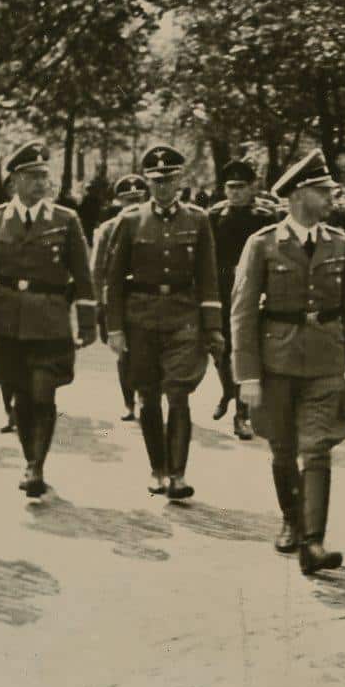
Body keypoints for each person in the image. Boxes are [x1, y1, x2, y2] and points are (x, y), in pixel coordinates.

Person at [230, 149, 345, 574]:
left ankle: (314, 542)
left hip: (326, 361)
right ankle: (292, 520)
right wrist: (247, 375)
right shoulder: (262, 244)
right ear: (297, 195)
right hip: (277, 363)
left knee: (318, 447)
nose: (330, 199)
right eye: (321, 191)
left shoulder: (340, 243)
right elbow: (243, 312)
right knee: (284, 448)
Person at [0, 140, 97, 499]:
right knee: (20, 395)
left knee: (44, 393)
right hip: (8, 321)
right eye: (31, 176)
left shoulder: (65, 220)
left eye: (44, 176)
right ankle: (30, 457)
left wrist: (87, 323)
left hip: (50, 320)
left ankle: (36, 467)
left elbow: (83, 275)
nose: (40, 183)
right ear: (13, 181)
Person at [104, 145, 223, 500]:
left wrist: (212, 326)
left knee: (179, 394)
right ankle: (157, 469)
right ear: (148, 183)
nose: (163, 187)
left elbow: (208, 276)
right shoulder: (130, 221)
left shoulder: (198, 220)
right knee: (148, 396)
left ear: (180, 181)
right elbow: (114, 279)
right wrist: (115, 328)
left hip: (183, 316)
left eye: (169, 180)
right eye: (156, 181)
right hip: (141, 317)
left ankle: (178, 475)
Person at [208, 159, 279, 438]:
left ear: (252, 188)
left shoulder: (264, 216)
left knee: (247, 348)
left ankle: (242, 413)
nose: (235, 192)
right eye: (230, 187)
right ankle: (228, 391)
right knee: (221, 350)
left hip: (254, 289)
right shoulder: (215, 216)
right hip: (223, 290)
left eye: (240, 187)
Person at [91, 174, 150, 422]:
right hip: (118, 299)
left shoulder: (152, 225)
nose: (133, 205)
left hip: (145, 297)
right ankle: (129, 402)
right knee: (124, 354)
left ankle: (146, 398)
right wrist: (100, 304)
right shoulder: (108, 229)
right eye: (128, 200)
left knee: (147, 351)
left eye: (137, 199)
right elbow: (97, 269)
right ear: (119, 202)